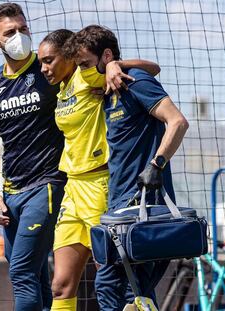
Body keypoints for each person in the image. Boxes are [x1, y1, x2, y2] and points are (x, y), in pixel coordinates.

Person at [64, 25, 189, 310]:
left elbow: (178, 122)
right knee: (135, 293)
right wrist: (113, 67)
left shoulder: (135, 81)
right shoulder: (109, 89)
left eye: (85, 64)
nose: (82, 71)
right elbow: (154, 66)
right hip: (118, 204)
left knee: (113, 286)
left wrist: (156, 165)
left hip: (144, 205)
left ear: (106, 56)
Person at [38, 30, 161, 310]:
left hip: (99, 186)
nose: (44, 68)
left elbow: (154, 69)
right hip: (73, 188)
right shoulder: (62, 88)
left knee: (114, 279)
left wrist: (117, 64)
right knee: (60, 285)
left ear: (70, 58)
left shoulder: (88, 75)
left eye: (50, 60)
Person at [0, 3, 67, 310]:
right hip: (11, 193)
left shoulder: (48, 69)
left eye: (23, 28)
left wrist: (110, 65)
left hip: (48, 185)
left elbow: (91, 60)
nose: (20, 36)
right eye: (10, 32)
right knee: (37, 274)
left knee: (21, 271)